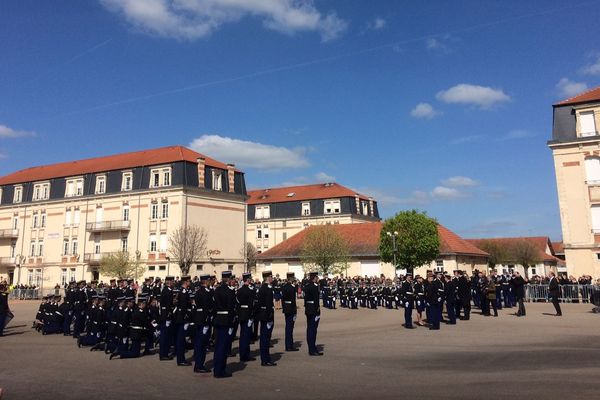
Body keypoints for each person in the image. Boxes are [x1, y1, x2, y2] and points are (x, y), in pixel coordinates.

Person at [213, 271, 236, 378]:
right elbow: (231, 308)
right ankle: (220, 370)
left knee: (218, 345)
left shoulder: (217, 290)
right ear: (228, 279)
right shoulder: (229, 291)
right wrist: (231, 322)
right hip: (226, 320)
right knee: (223, 346)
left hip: (218, 319)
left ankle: (217, 368)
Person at [193, 274, 213, 373]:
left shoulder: (199, 291)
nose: (210, 282)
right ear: (205, 281)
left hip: (199, 318)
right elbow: (206, 307)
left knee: (199, 342)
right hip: (203, 319)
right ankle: (199, 365)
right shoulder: (204, 292)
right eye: (209, 280)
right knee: (202, 343)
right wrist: (206, 321)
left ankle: (198, 364)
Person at [257, 271, 276, 366]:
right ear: (267, 278)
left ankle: (265, 358)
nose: (272, 278)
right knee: (266, 338)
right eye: (271, 276)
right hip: (267, 315)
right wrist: (270, 317)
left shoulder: (263, 288)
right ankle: (265, 359)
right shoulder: (267, 289)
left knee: (265, 338)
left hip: (263, 314)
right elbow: (268, 304)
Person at [236, 273, 255, 363]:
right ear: (247, 280)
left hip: (241, 314)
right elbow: (251, 304)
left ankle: (242, 354)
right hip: (247, 314)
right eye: (250, 279)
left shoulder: (239, 290)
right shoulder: (250, 290)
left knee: (242, 335)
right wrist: (251, 315)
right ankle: (245, 355)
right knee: (246, 335)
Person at [174, 276, 192, 366]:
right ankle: (181, 360)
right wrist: (186, 319)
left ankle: (181, 359)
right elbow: (184, 307)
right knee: (181, 340)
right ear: (185, 282)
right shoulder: (184, 292)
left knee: (181, 339)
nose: (190, 282)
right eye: (189, 281)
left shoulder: (183, 291)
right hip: (182, 318)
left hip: (181, 317)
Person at [304, 271, 322, 356]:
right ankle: (312, 349)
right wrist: (317, 311)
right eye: (317, 277)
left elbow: (305, 299)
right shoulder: (314, 287)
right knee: (313, 330)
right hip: (313, 310)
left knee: (309, 329)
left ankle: (311, 347)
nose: (317, 279)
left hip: (308, 309)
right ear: (314, 278)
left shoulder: (307, 286)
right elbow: (316, 300)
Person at [281, 272, 299, 351]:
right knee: (290, 328)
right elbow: (293, 301)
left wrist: (284, 307)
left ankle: (288, 345)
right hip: (291, 309)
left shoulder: (284, 287)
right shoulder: (292, 287)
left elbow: (283, 299)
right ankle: (289, 346)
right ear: (291, 279)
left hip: (286, 309)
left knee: (288, 327)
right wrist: (295, 311)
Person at [159, 276, 175, 361]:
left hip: (165, 314)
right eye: (172, 281)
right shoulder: (167, 291)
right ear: (169, 282)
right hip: (166, 315)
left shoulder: (167, 290)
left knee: (166, 335)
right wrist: (168, 316)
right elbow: (168, 305)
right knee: (165, 335)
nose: (173, 283)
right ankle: (163, 354)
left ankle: (164, 353)